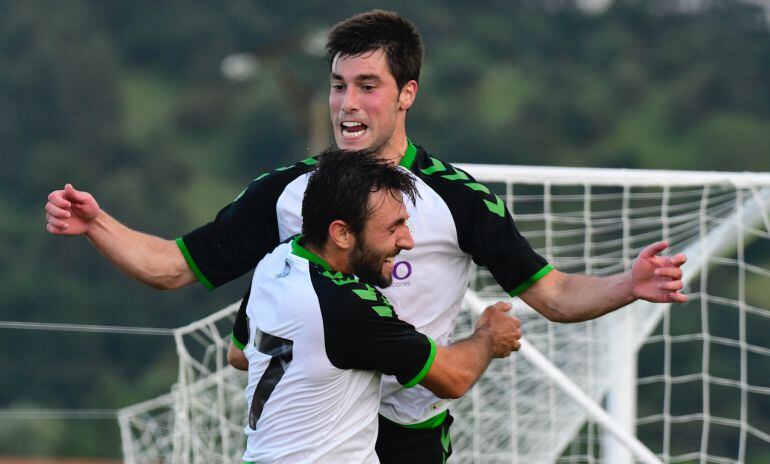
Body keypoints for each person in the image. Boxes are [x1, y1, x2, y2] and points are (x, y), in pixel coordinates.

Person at [45, 10, 687, 463]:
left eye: (367, 86)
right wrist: (97, 224)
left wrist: (629, 285)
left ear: (407, 93)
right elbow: (174, 267)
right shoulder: (290, 191)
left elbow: (554, 293)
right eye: (337, 85)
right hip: (311, 434)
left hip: (408, 431)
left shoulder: (458, 198)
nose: (347, 103)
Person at [236, 147, 520, 463]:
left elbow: (239, 354)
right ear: (342, 233)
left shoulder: (274, 263)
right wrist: (489, 335)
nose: (407, 240)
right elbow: (454, 377)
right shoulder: (348, 305)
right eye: (393, 227)